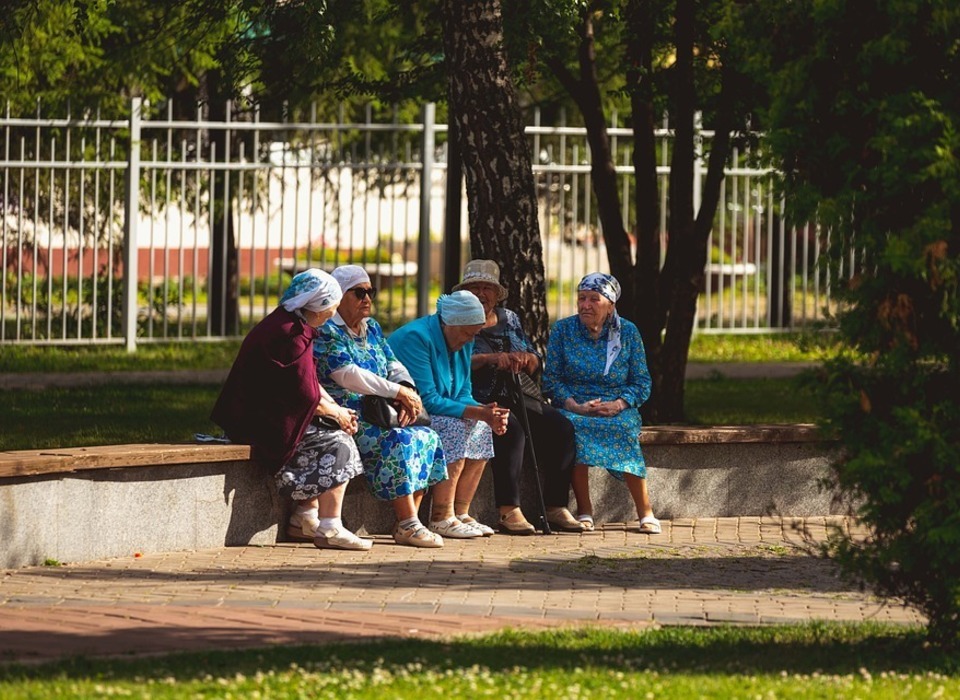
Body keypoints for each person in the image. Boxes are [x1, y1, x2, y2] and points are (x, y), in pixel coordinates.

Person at [211, 268, 372, 551]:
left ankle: (305, 517)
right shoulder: (289, 334)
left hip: (266, 414)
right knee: (339, 442)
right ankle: (330, 528)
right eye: (331, 308)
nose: (331, 315)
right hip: (257, 422)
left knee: (334, 428)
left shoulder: (291, 324)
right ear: (319, 305)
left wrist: (336, 408)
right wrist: (338, 414)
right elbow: (304, 393)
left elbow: (306, 379)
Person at [313, 265, 448, 548]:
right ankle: (408, 523)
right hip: (348, 411)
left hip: (382, 408)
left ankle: (410, 522)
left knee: (427, 436)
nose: (367, 299)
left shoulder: (371, 327)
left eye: (370, 292)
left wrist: (407, 391)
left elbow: (392, 363)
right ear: (339, 296)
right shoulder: (327, 329)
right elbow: (346, 374)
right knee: (397, 439)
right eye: (358, 292)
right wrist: (397, 391)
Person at [454, 259, 583, 533]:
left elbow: (534, 358)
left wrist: (526, 359)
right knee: (510, 429)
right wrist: (490, 359)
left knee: (561, 427)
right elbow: (453, 361)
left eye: (487, 287)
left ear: (496, 293)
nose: (481, 293)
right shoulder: (455, 319)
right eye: (474, 287)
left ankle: (556, 506)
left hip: (517, 392)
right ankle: (508, 510)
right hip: (476, 396)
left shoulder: (509, 318)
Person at [542, 272, 660, 534]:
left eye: (594, 299)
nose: (585, 305)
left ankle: (645, 512)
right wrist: (574, 405)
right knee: (571, 428)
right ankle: (585, 511)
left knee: (623, 429)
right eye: (582, 298)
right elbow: (551, 380)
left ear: (611, 306)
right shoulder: (563, 330)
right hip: (576, 405)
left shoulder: (628, 332)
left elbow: (642, 381)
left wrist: (619, 404)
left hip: (616, 405)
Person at [388, 291, 510, 538]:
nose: (469, 341)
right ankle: (441, 516)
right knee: (453, 427)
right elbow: (428, 400)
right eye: (466, 333)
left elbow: (463, 391)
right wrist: (477, 412)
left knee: (481, 426)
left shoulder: (463, 338)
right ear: (449, 324)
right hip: (405, 412)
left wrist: (486, 413)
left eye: (473, 334)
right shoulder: (417, 337)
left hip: (436, 409)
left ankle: (460, 513)